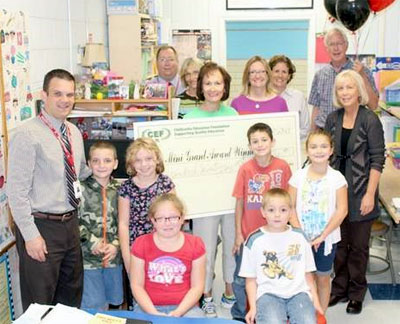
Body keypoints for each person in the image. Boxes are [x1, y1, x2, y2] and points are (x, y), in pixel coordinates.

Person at [7, 69, 91, 310]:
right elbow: (16, 192)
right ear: (43, 95)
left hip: (70, 226)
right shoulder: (26, 135)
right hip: (41, 228)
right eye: (57, 94)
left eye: (69, 94)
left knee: (70, 298)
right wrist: (31, 235)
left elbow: (79, 171)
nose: (65, 100)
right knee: (40, 304)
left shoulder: (73, 132)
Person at [324, 70, 385, 315]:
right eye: (341, 89)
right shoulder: (332, 118)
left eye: (349, 87)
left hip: (362, 192)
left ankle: (357, 292)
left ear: (358, 90)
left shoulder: (370, 119)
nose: (345, 92)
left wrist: (371, 194)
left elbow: (378, 159)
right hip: (336, 193)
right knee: (339, 245)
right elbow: (323, 153)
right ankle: (339, 288)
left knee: (358, 248)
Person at [184, 62, 237, 317]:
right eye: (208, 83)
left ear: (224, 86)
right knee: (205, 248)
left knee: (231, 244)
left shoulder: (233, 115)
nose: (213, 88)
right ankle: (205, 293)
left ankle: (229, 288)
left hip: (230, 196)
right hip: (203, 198)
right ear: (199, 87)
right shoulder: (189, 118)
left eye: (218, 83)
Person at [231, 122, 292, 322]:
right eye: (255, 141)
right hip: (249, 235)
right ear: (249, 145)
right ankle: (241, 312)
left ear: (272, 141)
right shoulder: (245, 169)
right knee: (241, 278)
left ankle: (277, 311)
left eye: (264, 140)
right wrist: (239, 234)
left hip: (276, 234)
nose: (260, 144)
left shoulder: (282, 167)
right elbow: (239, 202)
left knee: (274, 274)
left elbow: (290, 202)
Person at [240, 188, 323, 324]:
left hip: (299, 293)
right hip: (268, 294)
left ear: (291, 212)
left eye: (283, 210)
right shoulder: (254, 240)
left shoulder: (300, 237)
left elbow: (308, 275)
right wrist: (253, 307)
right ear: (263, 212)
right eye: (271, 210)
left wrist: (316, 302)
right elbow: (250, 279)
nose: (277, 215)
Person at [288, 129, 348, 313]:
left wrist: (322, 236)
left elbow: (342, 210)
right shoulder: (298, 176)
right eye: (313, 146)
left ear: (331, 150)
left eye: (323, 146)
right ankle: (304, 313)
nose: (318, 150)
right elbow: (290, 207)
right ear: (307, 151)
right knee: (303, 278)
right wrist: (302, 236)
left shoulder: (337, 178)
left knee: (322, 278)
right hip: (300, 239)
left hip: (326, 240)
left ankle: (321, 314)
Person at [130, 193, 206, 317]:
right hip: (148, 307)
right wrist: (153, 313)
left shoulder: (196, 244)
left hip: (186, 308)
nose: (167, 223)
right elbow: (136, 285)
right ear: (152, 220)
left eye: (173, 217)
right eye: (160, 219)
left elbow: (197, 287)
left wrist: (178, 312)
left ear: (182, 218)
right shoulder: (141, 243)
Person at [118, 137, 175, 273]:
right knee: (139, 292)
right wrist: (127, 259)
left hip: (164, 249)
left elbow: (174, 219)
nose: (144, 164)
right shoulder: (126, 188)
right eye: (138, 160)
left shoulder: (166, 184)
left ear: (157, 159)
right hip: (137, 253)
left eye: (149, 159)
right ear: (131, 163)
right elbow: (123, 224)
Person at [79, 141, 123, 310]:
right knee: (93, 306)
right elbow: (72, 221)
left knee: (114, 304)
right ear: (89, 164)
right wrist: (92, 242)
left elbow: (126, 223)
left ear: (115, 163)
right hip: (88, 261)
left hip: (113, 259)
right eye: (96, 161)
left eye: (107, 160)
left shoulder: (121, 190)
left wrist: (116, 245)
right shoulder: (80, 189)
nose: (101, 165)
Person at [309, 27, 379, 130]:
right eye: (331, 44)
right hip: (324, 132)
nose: (336, 48)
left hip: (352, 132)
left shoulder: (361, 71)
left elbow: (373, 105)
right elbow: (316, 108)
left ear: (346, 46)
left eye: (339, 43)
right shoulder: (319, 75)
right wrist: (312, 135)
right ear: (327, 49)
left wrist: (362, 76)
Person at [268, 55, 310, 140]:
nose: (280, 75)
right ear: (270, 73)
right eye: (276, 71)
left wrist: (286, 137)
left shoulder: (298, 97)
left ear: (289, 75)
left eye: (284, 72)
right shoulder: (262, 97)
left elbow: (305, 129)